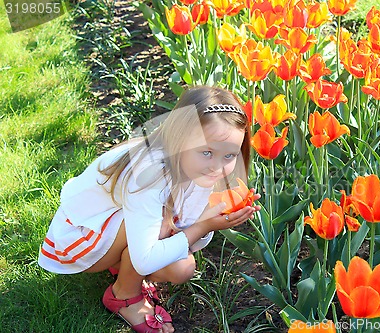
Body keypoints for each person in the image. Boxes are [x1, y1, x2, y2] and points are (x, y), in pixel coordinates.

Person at [38, 85, 261, 333]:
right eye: (207, 152)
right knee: (164, 228)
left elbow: (187, 233)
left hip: (117, 228)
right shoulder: (150, 172)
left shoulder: (198, 167)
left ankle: (123, 265)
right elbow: (147, 261)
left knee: (182, 267)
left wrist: (210, 217)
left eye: (229, 156)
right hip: (78, 237)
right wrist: (204, 225)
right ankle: (123, 296)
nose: (217, 167)